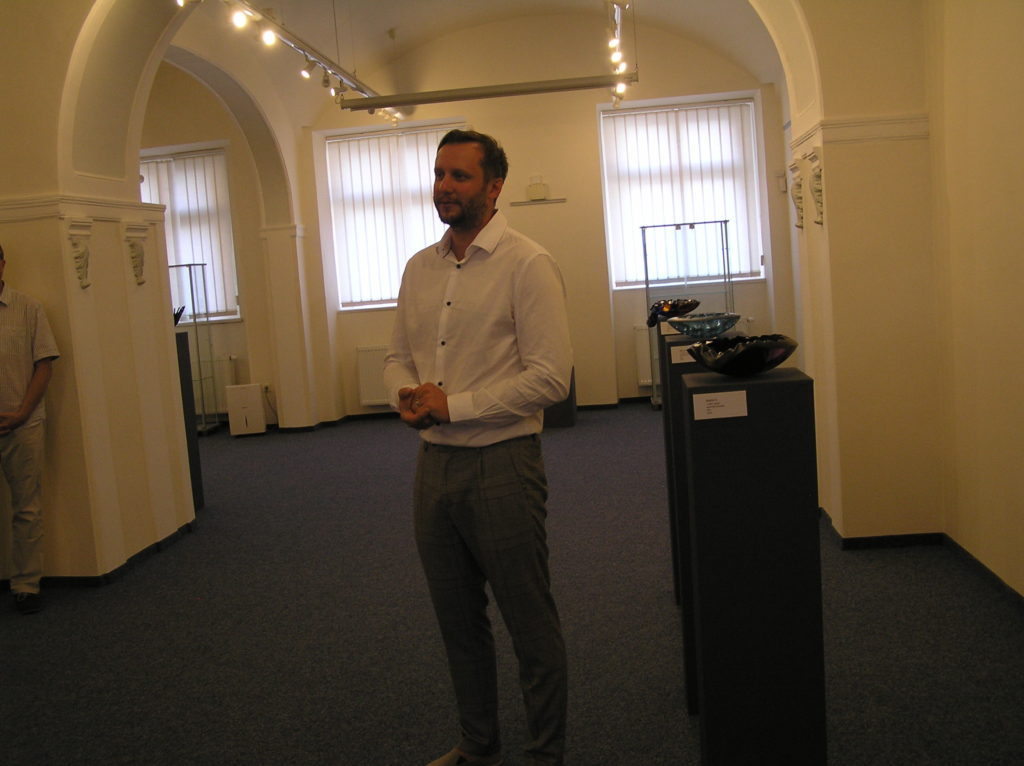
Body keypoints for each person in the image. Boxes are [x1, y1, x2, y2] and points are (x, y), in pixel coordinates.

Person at [384, 129, 573, 766]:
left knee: (529, 622)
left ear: (494, 188)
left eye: (460, 176)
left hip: (503, 466)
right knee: (457, 621)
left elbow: (551, 379)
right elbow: (396, 357)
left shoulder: (528, 263)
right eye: (439, 173)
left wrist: (454, 405)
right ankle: (478, 744)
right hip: (433, 467)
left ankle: (545, 754)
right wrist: (405, 394)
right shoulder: (420, 267)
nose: (444, 187)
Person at [0, 243, 59, 615]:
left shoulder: (28, 308)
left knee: (26, 508)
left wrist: (22, 412)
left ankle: (26, 586)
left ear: (2, 265)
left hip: (23, 424)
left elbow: (44, 365)